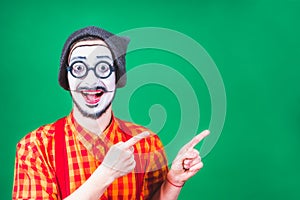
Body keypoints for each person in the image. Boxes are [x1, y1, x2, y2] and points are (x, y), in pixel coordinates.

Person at [12, 26, 210, 200]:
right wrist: (106, 173)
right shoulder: (35, 147)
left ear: (116, 77)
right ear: (67, 77)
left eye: (103, 67)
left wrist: (173, 182)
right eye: (79, 67)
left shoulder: (147, 143)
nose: (91, 80)